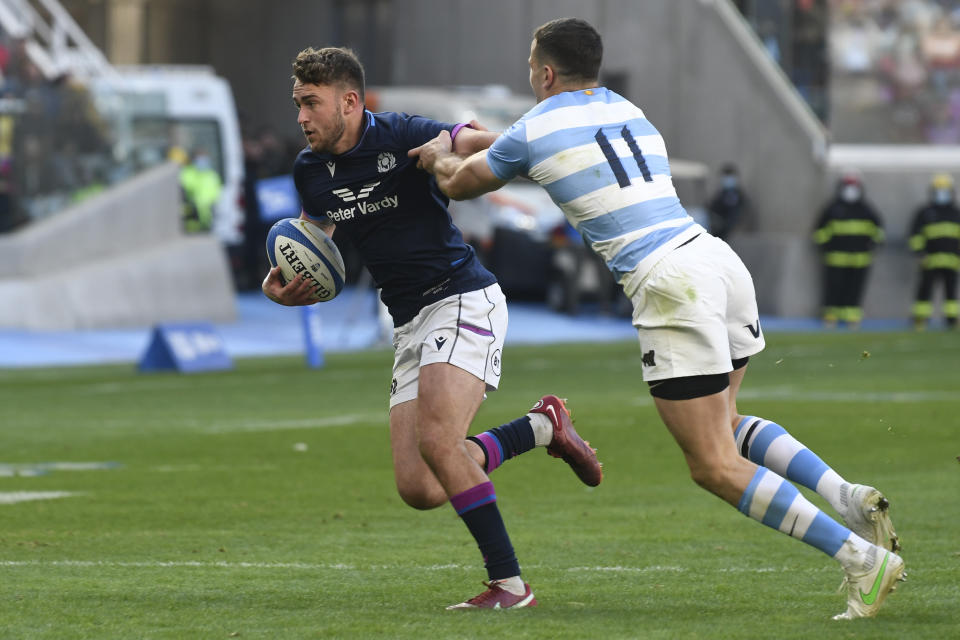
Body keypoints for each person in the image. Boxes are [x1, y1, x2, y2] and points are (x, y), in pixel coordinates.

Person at [411, 17, 905, 620]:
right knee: (725, 423)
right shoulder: (624, 107)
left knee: (713, 465)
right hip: (717, 260)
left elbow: (460, 186)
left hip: (670, 286)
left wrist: (440, 154)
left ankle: (859, 557)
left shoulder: (537, 126)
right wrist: (470, 134)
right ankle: (847, 498)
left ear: (543, 72)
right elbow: (520, 140)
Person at [261, 46, 602, 610]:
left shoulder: (401, 134)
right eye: (298, 103)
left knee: (440, 443)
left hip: (462, 298)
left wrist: (517, 141)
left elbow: (470, 139)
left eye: (311, 104)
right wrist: (285, 280)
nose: (301, 117)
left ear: (349, 101)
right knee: (419, 487)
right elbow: (313, 237)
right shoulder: (308, 171)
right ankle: (541, 428)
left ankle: (510, 587)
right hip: (408, 320)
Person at [812, 172, 885, 329]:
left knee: (855, 288)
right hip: (836, 258)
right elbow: (819, 232)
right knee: (833, 287)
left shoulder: (866, 210)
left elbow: (878, 231)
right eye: (848, 186)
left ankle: (852, 316)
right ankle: (831, 315)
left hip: (860, 259)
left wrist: (874, 244)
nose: (850, 190)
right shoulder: (832, 209)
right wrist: (825, 247)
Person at [908, 173, 960, 330]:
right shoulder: (925, 213)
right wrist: (920, 253)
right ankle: (920, 319)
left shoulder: (956, 213)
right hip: (929, 260)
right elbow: (915, 235)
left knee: (951, 292)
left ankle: (952, 320)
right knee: (924, 290)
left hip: (952, 261)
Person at [707, 163, 749, 241]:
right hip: (718, 231)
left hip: (731, 232)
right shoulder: (721, 194)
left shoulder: (738, 195)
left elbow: (737, 214)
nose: (727, 180)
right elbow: (712, 208)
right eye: (725, 176)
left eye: (729, 176)